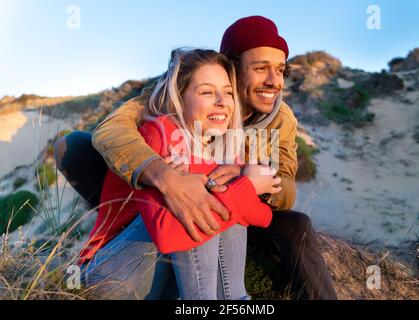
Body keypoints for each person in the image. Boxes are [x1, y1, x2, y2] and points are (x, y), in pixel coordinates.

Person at [55, 16, 337, 300]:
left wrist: (242, 175)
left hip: (240, 208)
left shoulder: (280, 118)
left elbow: (285, 189)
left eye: (281, 70)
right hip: (168, 207)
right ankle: (125, 232)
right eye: (260, 68)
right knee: (75, 146)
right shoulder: (175, 101)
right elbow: (111, 128)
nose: (274, 82)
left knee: (294, 224)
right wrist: (165, 176)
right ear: (231, 66)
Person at [78, 48, 279, 300]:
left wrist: (243, 184)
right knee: (203, 199)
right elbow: (168, 235)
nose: (222, 101)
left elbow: (262, 216)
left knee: (220, 198)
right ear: (179, 98)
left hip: (163, 279)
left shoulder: (224, 150)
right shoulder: (159, 135)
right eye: (206, 92)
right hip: (110, 276)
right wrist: (244, 188)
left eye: (228, 92)